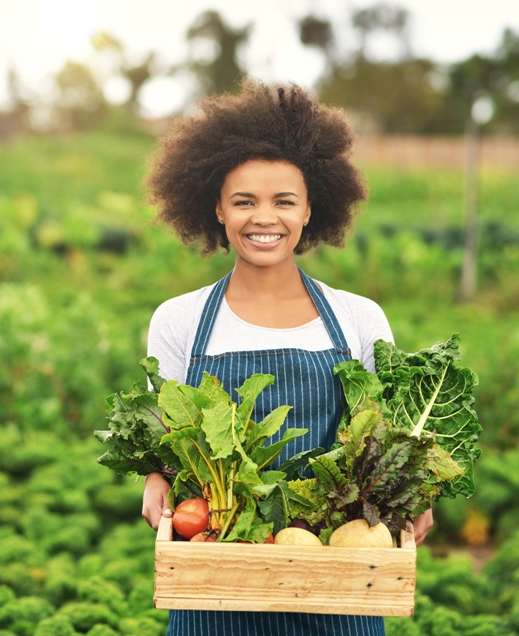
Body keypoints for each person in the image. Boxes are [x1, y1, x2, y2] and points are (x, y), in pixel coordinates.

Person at [140, 79, 433, 636]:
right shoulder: (177, 320)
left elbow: (386, 436)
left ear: (310, 210)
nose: (263, 218)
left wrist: (413, 494)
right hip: (218, 567)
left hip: (340, 572)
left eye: (284, 201)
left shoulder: (358, 318)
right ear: (217, 211)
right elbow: (165, 435)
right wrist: (154, 478)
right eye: (244, 201)